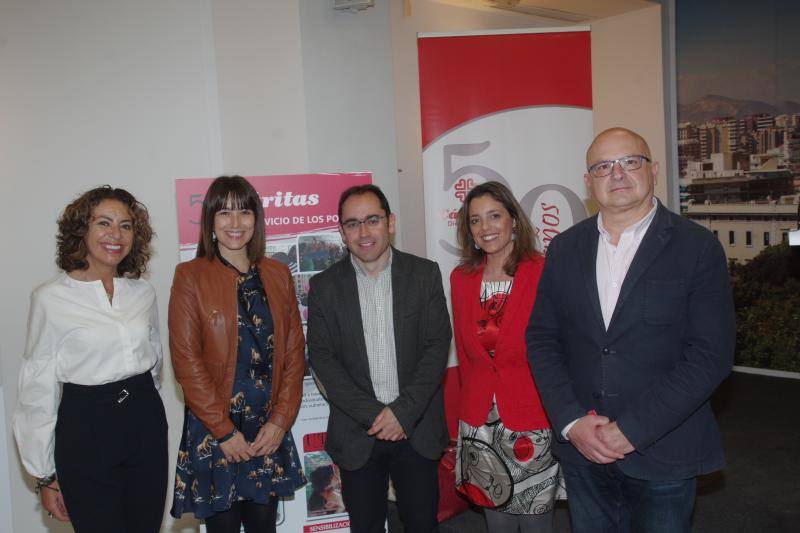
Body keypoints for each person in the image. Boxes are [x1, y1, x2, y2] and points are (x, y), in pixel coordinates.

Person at [526, 128, 735, 533]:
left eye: (630, 162)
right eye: (603, 166)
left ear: (653, 170)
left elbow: (709, 357)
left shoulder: (697, 247)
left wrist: (632, 431)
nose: (617, 174)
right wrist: (572, 423)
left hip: (664, 451)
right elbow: (542, 339)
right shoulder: (564, 248)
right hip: (583, 451)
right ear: (588, 183)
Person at [12, 186, 167, 533]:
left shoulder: (143, 293)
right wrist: (44, 475)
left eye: (126, 226)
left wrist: (138, 403)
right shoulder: (50, 299)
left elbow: (154, 361)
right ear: (82, 230)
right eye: (104, 223)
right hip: (87, 428)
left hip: (145, 423)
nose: (116, 235)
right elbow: (37, 387)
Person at [307, 184, 452, 533]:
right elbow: (322, 358)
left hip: (414, 427)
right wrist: (377, 415)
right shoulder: (325, 287)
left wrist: (401, 413)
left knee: (421, 524)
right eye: (353, 224)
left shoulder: (424, 274)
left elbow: (436, 345)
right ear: (342, 232)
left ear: (390, 223)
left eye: (372, 220)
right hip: (359, 432)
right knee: (366, 526)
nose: (364, 232)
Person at [169, 176, 306, 533]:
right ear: (210, 221)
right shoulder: (190, 276)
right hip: (217, 432)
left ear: (256, 219)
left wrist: (280, 421)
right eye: (224, 212)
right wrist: (224, 432)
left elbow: (294, 352)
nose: (235, 222)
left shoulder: (277, 274)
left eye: (244, 212)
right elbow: (186, 361)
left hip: (267, 429)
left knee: (264, 526)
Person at [451, 181, 561, 533]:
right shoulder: (461, 278)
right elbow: (468, 361)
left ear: (513, 219)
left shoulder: (542, 271)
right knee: (496, 524)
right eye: (476, 220)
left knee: (535, 525)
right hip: (480, 423)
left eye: (495, 216)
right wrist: (463, 421)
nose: (486, 228)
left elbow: (559, 349)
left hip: (532, 417)